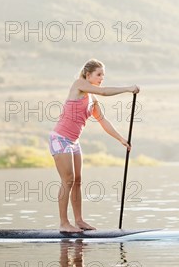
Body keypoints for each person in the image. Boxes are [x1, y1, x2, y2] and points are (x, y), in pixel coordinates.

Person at [48, 59, 140, 233]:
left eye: (103, 75)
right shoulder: (79, 84)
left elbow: (102, 121)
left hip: (74, 142)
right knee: (67, 180)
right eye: (98, 74)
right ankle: (63, 223)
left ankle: (79, 220)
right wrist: (128, 88)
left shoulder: (92, 100)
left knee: (77, 181)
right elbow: (104, 91)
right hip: (60, 139)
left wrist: (121, 139)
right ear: (87, 74)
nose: (101, 78)